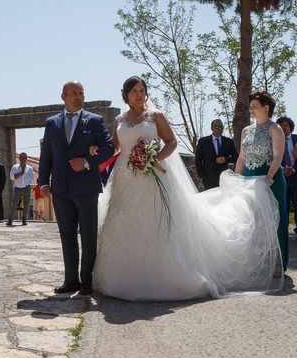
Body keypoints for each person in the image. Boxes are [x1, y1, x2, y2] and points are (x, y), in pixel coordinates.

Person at [93, 78, 283, 301]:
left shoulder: (156, 116)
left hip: (154, 175)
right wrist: (98, 151)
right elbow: (116, 147)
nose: (139, 94)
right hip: (126, 176)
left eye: (142, 90)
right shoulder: (119, 119)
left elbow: (171, 142)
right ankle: (121, 277)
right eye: (134, 91)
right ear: (125, 94)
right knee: (123, 222)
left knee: (157, 221)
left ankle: (167, 275)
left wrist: (154, 159)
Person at [38, 81, 114, 295]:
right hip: (61, 189)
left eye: (81, 93)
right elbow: (47, 155)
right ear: (63, 96)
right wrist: (43, 181)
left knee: (88, 235)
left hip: (87, 188)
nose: (78, 96)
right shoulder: (51, 123)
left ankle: (86, 281)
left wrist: (88, 162)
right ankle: (70, 280)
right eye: (74, 93)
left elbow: (109, 148)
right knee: (67, 235)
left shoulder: (95, 121)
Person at [237, 92, 288, 272]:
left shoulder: (274, 128)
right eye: (250, 106)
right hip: (249, 179)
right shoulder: (246, 131)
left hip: (270, 179)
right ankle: (256, 264)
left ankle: (277, 263)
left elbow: (277, 156)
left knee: (274, 219)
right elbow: (242, 158)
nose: (251, 110)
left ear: (266, 108)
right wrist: (236, 179)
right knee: (253, 220)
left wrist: (267, 179)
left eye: (254, 106)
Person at [194, 119, 238, 190]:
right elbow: (198, 160)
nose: (219, 128)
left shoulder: (229, 142)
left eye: (221, 127)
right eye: (216, 126)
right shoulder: (203, 141)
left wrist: (225, 159)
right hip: (208, 178)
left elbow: (236, 157)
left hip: (224, 178)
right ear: (212, 128)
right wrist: (202, 176)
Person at [276, 116, 297, 235]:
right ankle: (283, 230)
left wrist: (293, 169)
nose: (283, 127)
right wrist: (283, 169)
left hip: (295, 176)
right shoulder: (274, 141)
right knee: (283, 205)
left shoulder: (296, 139)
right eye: (280, 126)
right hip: (281, 177)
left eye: (285, 125)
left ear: (290, 127)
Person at [7, 152, 34, 226]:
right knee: (14, 204)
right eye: (22, 158)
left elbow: (32, 178)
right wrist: (20, 174)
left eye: (25, 158)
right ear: (19, 159)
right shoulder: (15, 167)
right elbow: (11, 177)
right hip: (18, 188)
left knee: (26, 204)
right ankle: (10, 220)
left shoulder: (29, 168)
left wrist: (27, 182)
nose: (24, 160)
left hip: (27, 187)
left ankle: (24, 220)